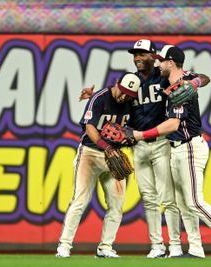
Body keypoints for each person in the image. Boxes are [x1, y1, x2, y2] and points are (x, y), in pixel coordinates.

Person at [79, 39, 210, 258]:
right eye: (135, 54)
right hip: (138, 145)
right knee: (148, 197)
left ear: (153, 56)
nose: (138, 58)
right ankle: (157, 246)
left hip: (161, 143)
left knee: (168, 198)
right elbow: (114, 96)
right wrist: (92, 97)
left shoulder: (164, 74)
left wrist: (195, 83)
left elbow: (203, 77)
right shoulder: (131, 80)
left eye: (142, 54)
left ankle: (175, 246)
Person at [132, 45, 211, 259]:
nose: (158, 64)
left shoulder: (178, 86)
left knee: (194, 200)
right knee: (184, 203)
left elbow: (172, 125)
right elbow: (203, 78)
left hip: (190, 146)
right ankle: (195, 249)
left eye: (161, 61)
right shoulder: (177, 81)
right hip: (176, 149)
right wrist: (196, 82)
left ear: (171, 62)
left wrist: (139, 135)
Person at [56, 72, 141, 258]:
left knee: (117, 204)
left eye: (129, 94)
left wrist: (128, 141)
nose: (125, 96)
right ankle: (64, 245)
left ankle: (105, 247)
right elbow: (90, 127)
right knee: (80, 200)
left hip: (115, 157)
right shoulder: (100, 98)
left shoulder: (131, 103)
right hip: (90, 153)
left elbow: (133, 131)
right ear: (117, 83)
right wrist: (106, 146)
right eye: (124, 91)